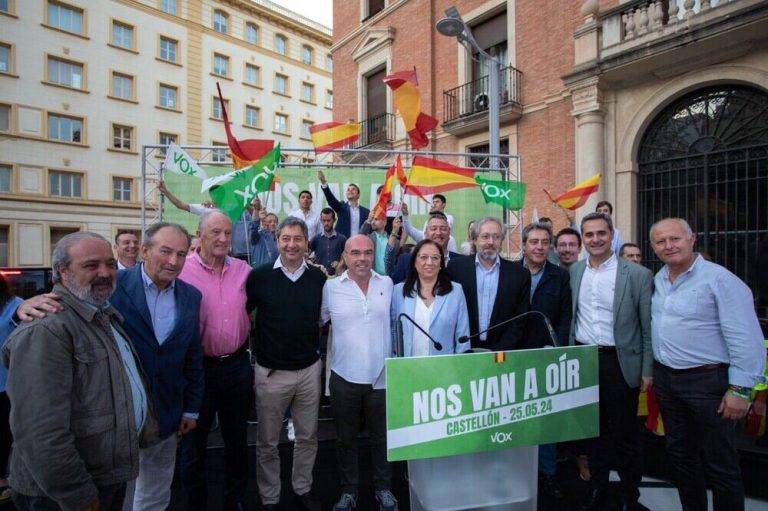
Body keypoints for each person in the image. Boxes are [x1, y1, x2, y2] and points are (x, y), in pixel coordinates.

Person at [2, 232, 158, 511]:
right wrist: (76, 492)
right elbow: (40, 431)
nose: (105, 273)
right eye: (91, 265)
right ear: (62, 271)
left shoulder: (99, 314)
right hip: (63, 494)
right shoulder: (46, 329)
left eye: (110, 264)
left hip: (101, 477)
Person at [649, 218, 765, 511]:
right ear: (653, 247)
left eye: (675, 239)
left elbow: (746, 338)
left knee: (720, 464)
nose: (668, 246)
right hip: (668, 381)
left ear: (692, 240)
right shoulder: (659, 280)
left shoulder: (720, 280)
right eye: (660, 241)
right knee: (681, 458)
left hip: (708, 384)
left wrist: (740, 390)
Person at [113, 223, 204, 511]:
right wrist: (20, 307)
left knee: (155, 491)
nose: (173, 261)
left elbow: (192, 357)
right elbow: (70, 304)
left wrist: (191, 407)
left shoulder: (191, 297)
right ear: (144, 251)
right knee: (114, 492)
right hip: (118, 412)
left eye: (181, 253)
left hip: (166, 411)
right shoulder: (112, 285)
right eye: (165, 251)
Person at [569, 212, 653, 511]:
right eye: (589, 235)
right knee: (594, 434)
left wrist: (646, 371)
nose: (595, 239)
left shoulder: (637, 275)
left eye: (601, 233)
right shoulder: (575, 272)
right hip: (586, 360)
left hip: (620, 363)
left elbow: (647, 328)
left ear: (611, 234)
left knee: (625, 435)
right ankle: (598, 490)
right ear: (583, 238)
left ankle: (631, 496)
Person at [246, 216, 326, 511]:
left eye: (298, 239)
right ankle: (270, 497)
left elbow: (323, 319)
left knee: (307, 437)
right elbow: (246, 316)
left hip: (308, 371)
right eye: (286, 238)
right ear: (277, 240)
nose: (291, 244)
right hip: (271, 373)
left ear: (307, 243)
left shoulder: (318, 278)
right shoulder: (259, 276)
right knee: (267, 441)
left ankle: (302, 488)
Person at [178, 210, 254, 510]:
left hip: (236, 367)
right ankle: (196, 503)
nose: (223, 239)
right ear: (200, 234)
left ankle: (234, 500)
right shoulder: (182, 270)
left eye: (227, 232)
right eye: (215, 233)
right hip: (198, 371)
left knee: (237, 441)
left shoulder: (244, 270)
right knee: (193, 444)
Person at [321, 235, 397, 511]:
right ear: (345, 255)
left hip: (382, 378)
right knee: (345, 439)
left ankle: (384, 489)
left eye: (367, 252)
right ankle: (349, 491)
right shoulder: (330, 288)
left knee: (382, 438)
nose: (362, 258)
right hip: (344, 377)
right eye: (355, 253)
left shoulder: (387, 284)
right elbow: (319, 322)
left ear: (373, 254)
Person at [516, 222, 572, 500]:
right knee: (515, 419)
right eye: (533, 242)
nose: (539, 247)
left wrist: (556, 349)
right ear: (524, 245)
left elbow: (565, 317)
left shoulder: (560, 276)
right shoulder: (511, 271)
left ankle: (547, 475)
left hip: (547, 358)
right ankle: (518, 473)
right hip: (514, 358)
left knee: (546, 420)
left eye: (544, 242)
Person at [447, 217, 530, 351]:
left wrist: (500, 350)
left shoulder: (520, 274)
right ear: (474, 239)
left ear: (501, 240)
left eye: (496, 237)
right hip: (463, 352)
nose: (490, 242)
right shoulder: (455, 269)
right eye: (485, 237)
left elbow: (520, 320)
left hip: (503, 355)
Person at [391, 238, 470, 356]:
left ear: (441, 264)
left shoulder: (456, 291)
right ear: (414, 262)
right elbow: (392, 331)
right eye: (423, 257)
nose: (429, 262)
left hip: (445, 368)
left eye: (435, 258)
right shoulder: (398, 291)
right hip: (407, 368)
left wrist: (461, 369)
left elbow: (463, 335)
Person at [389, 210, 462, 285]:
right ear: (425, 233)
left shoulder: (461, 263)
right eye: (433, 229)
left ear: (449, 232)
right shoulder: (407, 260)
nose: (438, 233)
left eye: (443, 229)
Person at [0, 275, 22, 504]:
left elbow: (21, 316)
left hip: (6, 384)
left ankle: (5, 481)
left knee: (5, 433)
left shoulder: (14, 305)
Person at [318, 170, 370, 238]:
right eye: (348, 189)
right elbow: (331, 199)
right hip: (343, 243)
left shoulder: (366, 212)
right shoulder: (341, 207)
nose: (350, 191)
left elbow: (368, 230)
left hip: (359, 244)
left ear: (358, 195)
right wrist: (323, 183)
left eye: (353, 189)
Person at [310, 207, 347, 275]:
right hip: (319, 277)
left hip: (337, 277)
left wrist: (340, 264)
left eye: (329, 220)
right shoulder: (316, 239)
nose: (326, 223)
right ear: (321, 220)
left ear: (334, 220)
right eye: (324, 220)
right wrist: (312, 264)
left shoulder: (342, 239)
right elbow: (305, 255)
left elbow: (348, 257)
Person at [360, 210, 394, 276]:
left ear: (384, 222)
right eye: (372, 220)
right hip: (372, 278)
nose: (372, 222)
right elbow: (359, 238)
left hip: (388, 278)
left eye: (376, 219)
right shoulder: (368, 238)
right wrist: (368, 220)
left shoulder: (392, 240)